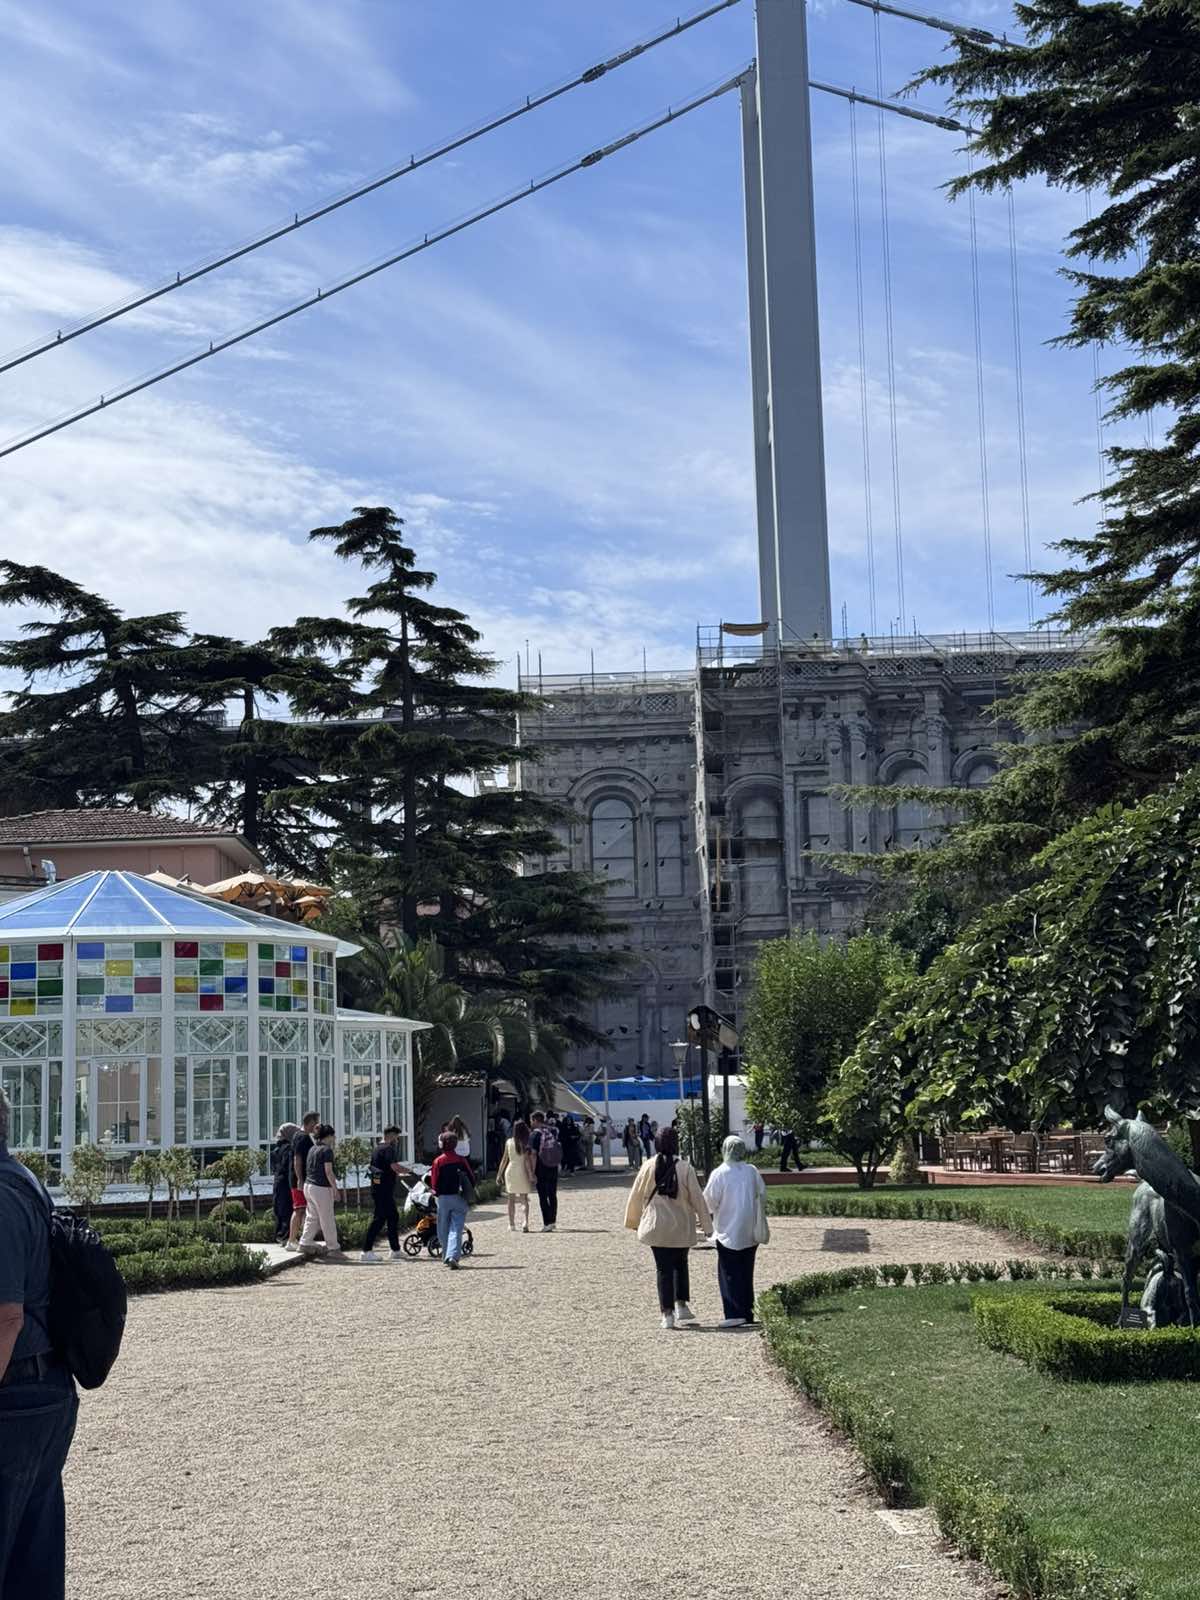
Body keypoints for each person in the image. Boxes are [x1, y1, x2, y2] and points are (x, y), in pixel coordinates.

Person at [0, 1087, 78, 1600]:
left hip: (14, 1397)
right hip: (43, 1388)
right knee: (32, 1566)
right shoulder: (23, 1179)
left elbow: (6, 1317)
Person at [625, 1126, 712, 1331]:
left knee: (663, 1269)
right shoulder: (685, 1168)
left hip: (656, 1225)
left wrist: (633, 1221)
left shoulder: (648, 1166)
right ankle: (681, 1304)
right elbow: (697, 1198)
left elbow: (636, 1195)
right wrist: (707, 1224)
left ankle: (667, 1313)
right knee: (681, 1263)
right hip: (681, 1224)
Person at [703, 1135, 768, 1328]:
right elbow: (762, 1194)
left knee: (729, 1272)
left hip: (728, 1230)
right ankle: (748, 1312)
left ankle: (733, 1313)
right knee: (746, 1272)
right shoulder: (751, 1171)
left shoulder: (720, 1173)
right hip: (750, 1230)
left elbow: (709, 1202)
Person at [360, 1126, 412, 1263]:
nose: (397, 1139)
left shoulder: (377, 1149)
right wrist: (409, 1170)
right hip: (383, 1189)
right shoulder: (389, 1149)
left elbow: (376, 1168)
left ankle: (395, 1250)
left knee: (393, 1216)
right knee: (379, 1219)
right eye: (396, 1136)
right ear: (391, 1135)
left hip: (378, 1188)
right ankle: (366, 1250)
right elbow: (394, 1167)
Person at [429, 1132, 474, 1268]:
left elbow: (434, 1183)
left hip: (443, 1199)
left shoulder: (438, 1161)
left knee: (443, 1228)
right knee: (456, 1228)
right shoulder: (461, 1160)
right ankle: (452, 1256)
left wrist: (435, 1192)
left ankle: (446, 1255)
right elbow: (471, 1178)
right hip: (458, 1198)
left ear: (442, 1144)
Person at [298, 1124, 341, 1256]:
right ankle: (333, 1248)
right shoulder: (327, 1150)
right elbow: (328, 1172)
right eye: (333, 1136)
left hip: (308, 1186)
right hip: (321, 1187)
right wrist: (335, 1189)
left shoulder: (312, 1148)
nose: (334, 1138)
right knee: (327, 1218)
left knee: (312, 1216)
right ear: (328, 1136)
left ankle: (305, 1242)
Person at [286, 1111, 320, 1248]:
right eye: (316, 1123)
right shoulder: (302, 1137)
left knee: (304, 1209)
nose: (316, 1126)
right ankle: (291, 1240)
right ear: (310, 1122)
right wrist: (300, 1179)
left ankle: (304, 1239)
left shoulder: (301, 1136)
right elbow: (297, 1159)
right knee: (299, 1209)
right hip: (299, 1179)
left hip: (303, 1179)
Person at [496, 1119, 535, 1232]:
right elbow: (527, 1161)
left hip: (510, 1171)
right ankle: (525, 1221)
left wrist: (499, 1174)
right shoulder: (526, 1143)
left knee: (511, 1199)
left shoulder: (509, 1142)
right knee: (524, 1199)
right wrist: (531, 1174)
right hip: (522, 1171)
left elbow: (504, 1160)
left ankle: (511, 1224)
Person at [529, 1111, 561, 1231]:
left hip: (541, 1167)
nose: (531, 1123)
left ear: (535, 1120)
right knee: (552, 1194)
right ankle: (553, 1221)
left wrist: (532, 1172)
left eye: (531, 1120)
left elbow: (533, 1154)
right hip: (553, 1166)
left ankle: (547, 1222)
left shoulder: (534, 1134)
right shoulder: (552, 1131)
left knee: (543, 1196)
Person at [270, 1122, 299, 1243]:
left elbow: (273, 1168)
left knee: (279, 1209)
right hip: (286, 1183)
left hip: (277, 1182)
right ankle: (287, 1236)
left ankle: (279, 1235)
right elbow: (289, 1167)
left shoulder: (275, 1150)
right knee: (287, 1209)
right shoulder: (289, 1149)